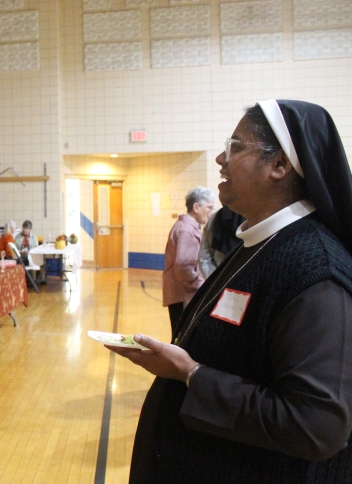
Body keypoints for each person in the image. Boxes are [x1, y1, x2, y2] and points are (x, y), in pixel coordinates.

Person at [108, 100, 352, 483]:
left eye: (236, 146)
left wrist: (191, 373)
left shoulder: (316, 271)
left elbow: (315, 425)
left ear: (279, 166)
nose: (221, 157)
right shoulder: (263, 242)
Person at [162, 187, 215, 332]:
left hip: (180, 292)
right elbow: (183, 266)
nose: (211, 212)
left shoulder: (187, 226)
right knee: (181, 336)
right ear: (196, 207)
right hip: (182, 294)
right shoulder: (187, 230)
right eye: (209, 207)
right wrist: (202, 284)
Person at [198, 205, 244, 278]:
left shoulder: (215, 217)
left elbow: (204, 258)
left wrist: (217, 283)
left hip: (220, 281)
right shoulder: (258, 217)